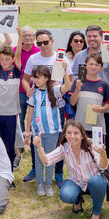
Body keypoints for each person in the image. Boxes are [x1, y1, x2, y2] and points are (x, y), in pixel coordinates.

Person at [70, 26, 109, 172]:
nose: (92, 39)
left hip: (108, 106)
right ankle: (89, 170)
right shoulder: (81, 55)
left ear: (101, 37)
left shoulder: (108, 52)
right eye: (89, 36)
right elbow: (75, 76)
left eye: (95, 36)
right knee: (88, 141)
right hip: (87, 106)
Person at [35, 120, 108, 219]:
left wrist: (103, 154)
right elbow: (47, 161)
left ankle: (96, 212)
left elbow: (103, 166)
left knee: (97, 182)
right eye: (69, 133)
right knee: (66, 195)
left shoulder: (92, 145)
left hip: (94, 180)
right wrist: (39, 147)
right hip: (76, 181)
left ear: (82, 136)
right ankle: (77, 201)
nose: (72, 136)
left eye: (76, 133)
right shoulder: (64, 148)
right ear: (65, 135)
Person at [24, 64, 73, 196]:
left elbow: (67, 87)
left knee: (50, 159)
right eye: (34, 78)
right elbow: (30, 112)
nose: (35, 80)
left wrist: (64, 71)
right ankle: (40, 184)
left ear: (46, 78)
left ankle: (48, 184)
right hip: (37, 132)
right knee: (39, 159)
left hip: (53, 131)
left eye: (38, 77)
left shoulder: (55, 90)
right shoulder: (33, 93)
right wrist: (28, 131)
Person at [21, 28, 57, 182]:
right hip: (37, 105)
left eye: (46, 42)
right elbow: (25, 78)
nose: (43, 45)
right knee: (37, 139)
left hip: (55, 105)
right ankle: (35, 169)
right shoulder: (33, 59)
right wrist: (28, 88)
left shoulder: (59, 58)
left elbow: (65, 81)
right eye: (39, 43)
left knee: (55, 142)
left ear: (52, 42)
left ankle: (58, 174)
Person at [0, 40, 23, 171]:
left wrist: (20, 36)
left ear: (12, 60)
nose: (4, 62)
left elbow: (18, 53)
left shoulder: (17, 71)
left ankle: (9, 172)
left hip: (11, 114)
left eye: (7, 59)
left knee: (9, 146)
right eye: (2, 59)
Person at [13, 26, 40, 173]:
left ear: (34, 37)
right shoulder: (17, 49)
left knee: (34, 119)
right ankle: (21, 143)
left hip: (37, 92)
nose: (28, 38)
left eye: (30, 36)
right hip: (20, 90)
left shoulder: (38, 51)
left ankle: (33, 142)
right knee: (20, 118)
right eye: (25, 36)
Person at [68, 53, 109, 137]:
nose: (93, 67)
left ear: (101, 67)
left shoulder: (104, 84)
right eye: (91, 64)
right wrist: (77, 89)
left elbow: (108, 104)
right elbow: (72, 103)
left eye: (97, 65)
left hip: (97, 126)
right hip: (80, 125)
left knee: (96, 149)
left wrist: (102, 108)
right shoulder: (78, 82)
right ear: (85, 64)